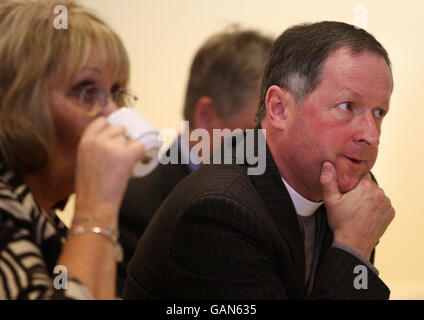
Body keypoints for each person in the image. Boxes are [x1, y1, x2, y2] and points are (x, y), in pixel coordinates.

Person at [123, 21, 395, 300]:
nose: (371, 135)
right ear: (278, 109)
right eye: (347, 106)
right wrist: (353, 247)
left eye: (378, 113)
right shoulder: (220, 210)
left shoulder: (353, 192)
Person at [0, 0, 144, 299]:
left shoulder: (46, 219)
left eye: (117, 93)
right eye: (86, 91)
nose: (113, 114)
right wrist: (95, 212)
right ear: (20, 104)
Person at [117, 28, 273, 294]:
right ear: (206, 116)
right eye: (257, 132)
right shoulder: (133, 205)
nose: (271, 149)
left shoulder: (284, 198)